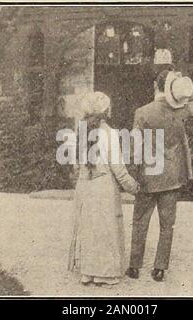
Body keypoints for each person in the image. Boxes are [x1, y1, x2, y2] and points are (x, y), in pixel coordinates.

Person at [126, 70, 193, 282]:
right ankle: (159, 268)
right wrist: (180, 86)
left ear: (155, 86)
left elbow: (135, 147)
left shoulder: (142, 112)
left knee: (140, 221)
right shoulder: (182, 111)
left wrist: (133, 172)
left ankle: (134, 266)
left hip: (148, 175)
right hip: (172, 176)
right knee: (167, 224)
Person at [68, 91, 140, 286]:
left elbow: (77, 165)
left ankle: (87, 273)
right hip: (104, 186)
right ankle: (104, 274)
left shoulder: (80, 131)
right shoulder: (109, 134)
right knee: (106, 228)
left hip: (85, 186)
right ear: (106, 111)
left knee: (89, 227)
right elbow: (118, 168)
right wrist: (134, 187)